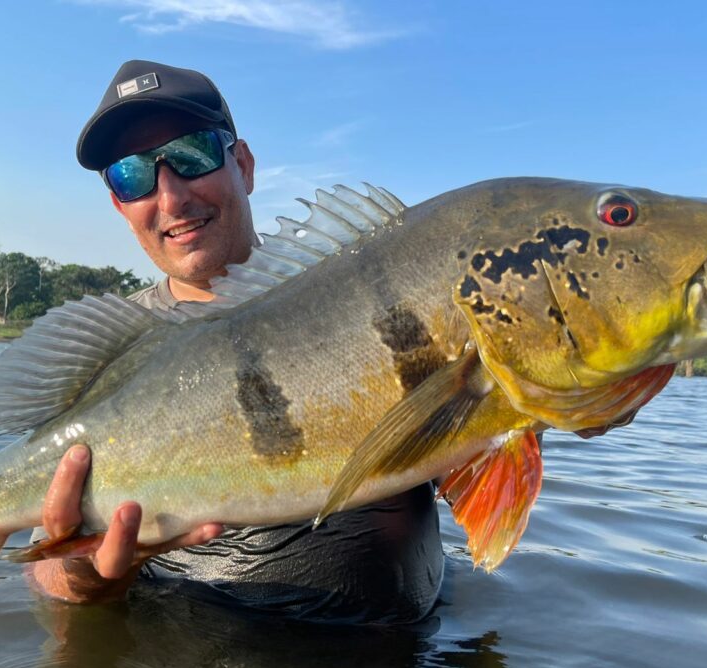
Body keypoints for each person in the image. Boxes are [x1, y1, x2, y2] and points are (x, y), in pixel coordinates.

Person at [28, 60, 444, 622]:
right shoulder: (109, 357)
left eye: (193, 154)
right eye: (131, 174)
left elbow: (493, 445)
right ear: (119, 206)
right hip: (181, 638)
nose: (171, 197)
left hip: (392, 650)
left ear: (243, 165)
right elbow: (45, 569)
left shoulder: (377, 297)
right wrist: (82, 572)